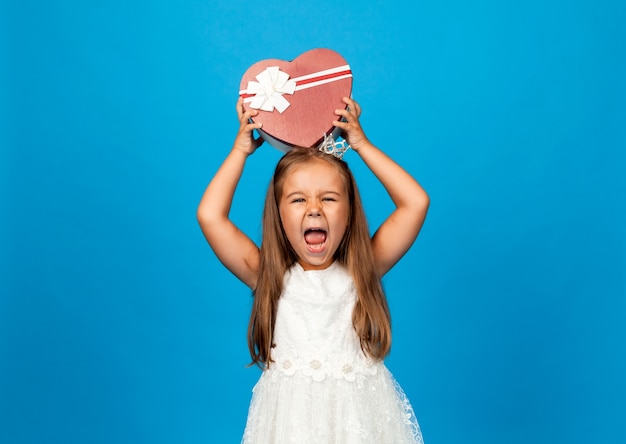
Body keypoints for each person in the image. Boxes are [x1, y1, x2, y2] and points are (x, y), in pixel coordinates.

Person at [197, 96, 429, 443]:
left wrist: (361, 145)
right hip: (291, 426)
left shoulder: (361, 271)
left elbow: (415, 202)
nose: (314, 209)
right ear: (278, 215)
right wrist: (239, 153)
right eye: (298, 199)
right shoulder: (269, 276)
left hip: (360, 422)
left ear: (349, 212)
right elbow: (210, 216)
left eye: (329, 198)